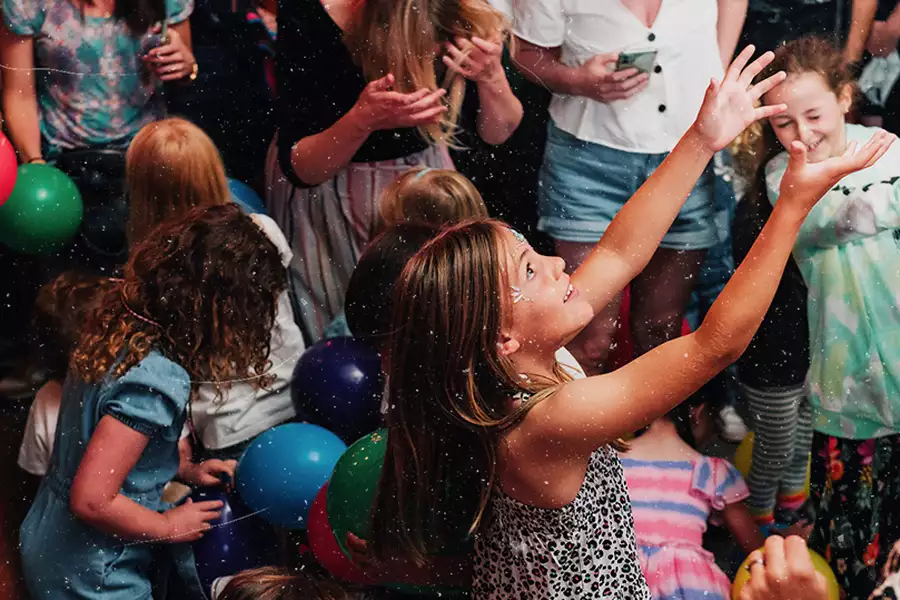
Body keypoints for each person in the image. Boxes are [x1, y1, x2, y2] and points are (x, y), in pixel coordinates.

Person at [365, 48, 893, 597]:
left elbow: (619, 251)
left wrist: (701, 137)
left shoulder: (511, 364)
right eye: (529, 268)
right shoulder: (547, 419)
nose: (553, 262)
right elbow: (713, 347)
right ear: (502, 334)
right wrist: (790, 209)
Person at [18, 204, 288, 599]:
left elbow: (102, 442)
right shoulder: (157, 379)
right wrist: (167, 526)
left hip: (51, 538)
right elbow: (91, 500)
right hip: (95, 569)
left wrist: (183, 468)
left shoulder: (117, 320)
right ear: (219, 307)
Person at [510, 0, 747, 377]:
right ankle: (580, 434)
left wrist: (715, 65)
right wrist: (578, 82)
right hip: (588, 161)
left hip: (686, 152)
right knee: (588, 339)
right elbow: (525, 53)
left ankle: (662, 430)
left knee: (662, 328)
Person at [266, 0, 523, 344]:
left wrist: (493, 78)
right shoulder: (311, 16)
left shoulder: (455, 13)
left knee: (438, 329)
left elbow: (499, 132)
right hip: (331, 204)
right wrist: (362, 121)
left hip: (427, 194)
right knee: (351, 333)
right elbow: (304, 169)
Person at [755, 36, 900, 598]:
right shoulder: (782, 178)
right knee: (852, 538)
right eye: (784, 124)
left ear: (845, 97)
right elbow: (835, 221)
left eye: (813, 114)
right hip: (848, 391)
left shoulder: (889, 147)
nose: (802, 134)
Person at [126, 118, 304, 462]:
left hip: (227, 427)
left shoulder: (151, 270)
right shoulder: (263, 230)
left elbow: (161, 363)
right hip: (293, 398)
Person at [0, 0, 196, 163]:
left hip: (149, 151)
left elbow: (185, 72)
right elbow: (19, 94)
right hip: (65, 155)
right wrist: (35, 162)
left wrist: (187, 67)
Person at [621, 401, 765, 600]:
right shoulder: (710, 470)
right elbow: (753, 543)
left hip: (617, 569)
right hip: (686, 583)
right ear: (698, 412)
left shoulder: (612, 460)